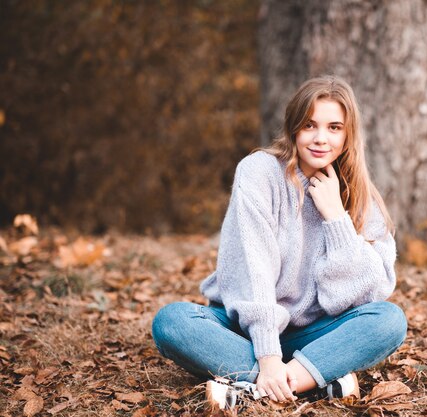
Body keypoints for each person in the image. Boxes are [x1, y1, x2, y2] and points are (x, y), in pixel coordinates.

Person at [151, 75, 407, 410]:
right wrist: (269, 356)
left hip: (315, 333)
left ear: (348, 135)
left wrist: (335, 218)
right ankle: (310, 379)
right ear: (294, 128)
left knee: (390, 320)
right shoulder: (260, 172)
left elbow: (369, 293)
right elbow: (254, 271)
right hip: (243, 330)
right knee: (171, 322)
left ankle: (258, 386)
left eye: (334, 128)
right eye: (309, 125)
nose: (320, 139)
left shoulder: (359, 195)